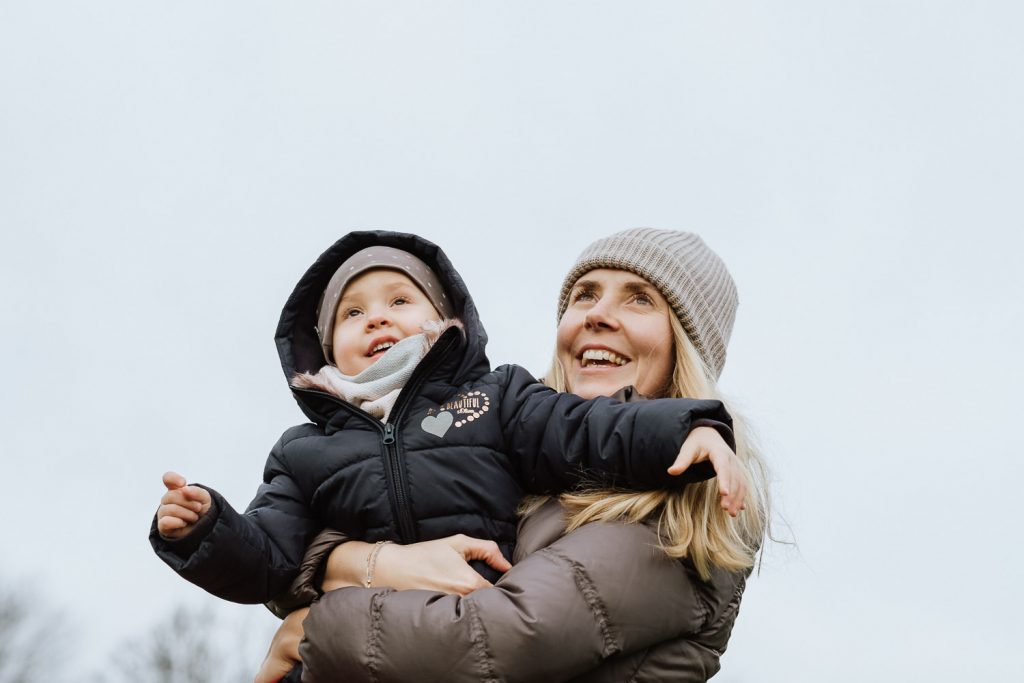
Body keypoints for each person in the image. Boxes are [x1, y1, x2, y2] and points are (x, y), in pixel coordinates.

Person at [149, 231, 744, 631]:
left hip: (459, 621)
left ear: (444, 320)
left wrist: (686, 429)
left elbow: (587, 430)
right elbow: (272, 558)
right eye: (352, 313)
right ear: (325, 349)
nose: (376, 316)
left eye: (399, 299)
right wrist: (204, 529)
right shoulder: (303, 451)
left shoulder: (496, 398)